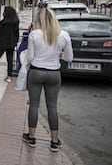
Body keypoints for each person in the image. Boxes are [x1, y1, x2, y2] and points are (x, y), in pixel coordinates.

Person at [22, 8, 73, 152]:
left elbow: (30, 57)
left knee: (34, 105)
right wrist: (58, 54)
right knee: (52, 107)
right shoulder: (64, 35)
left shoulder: (34, 34)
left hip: (36, 72)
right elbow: (69, 58)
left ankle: (31, 138)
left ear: (39, 19)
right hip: (54, 74)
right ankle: (54, 141)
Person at [0, 6, 19, 82]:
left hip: (2, 43)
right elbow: (17, 33)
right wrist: (16, 41)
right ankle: (9, 76)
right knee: (10, 60)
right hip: (11, 43)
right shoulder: (15, 22)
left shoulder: (3, 22)